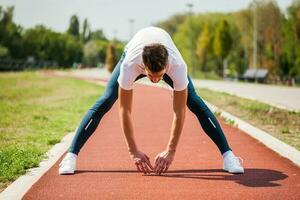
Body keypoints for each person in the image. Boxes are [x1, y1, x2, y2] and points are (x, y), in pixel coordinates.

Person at [59, 26, 244, 175]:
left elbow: (179, 112)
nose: (155, 80)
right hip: (133, 50)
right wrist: (133, 151)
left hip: (166, 51)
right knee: (107, 99)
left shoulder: (177, 66)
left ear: (166, 67)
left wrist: (171, 151)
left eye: (160, 76)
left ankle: (229, 155)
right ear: (144, 67)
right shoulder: (130, 64)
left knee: (194, 101)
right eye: (150, 75)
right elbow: (125, 111)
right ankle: (71, 156)